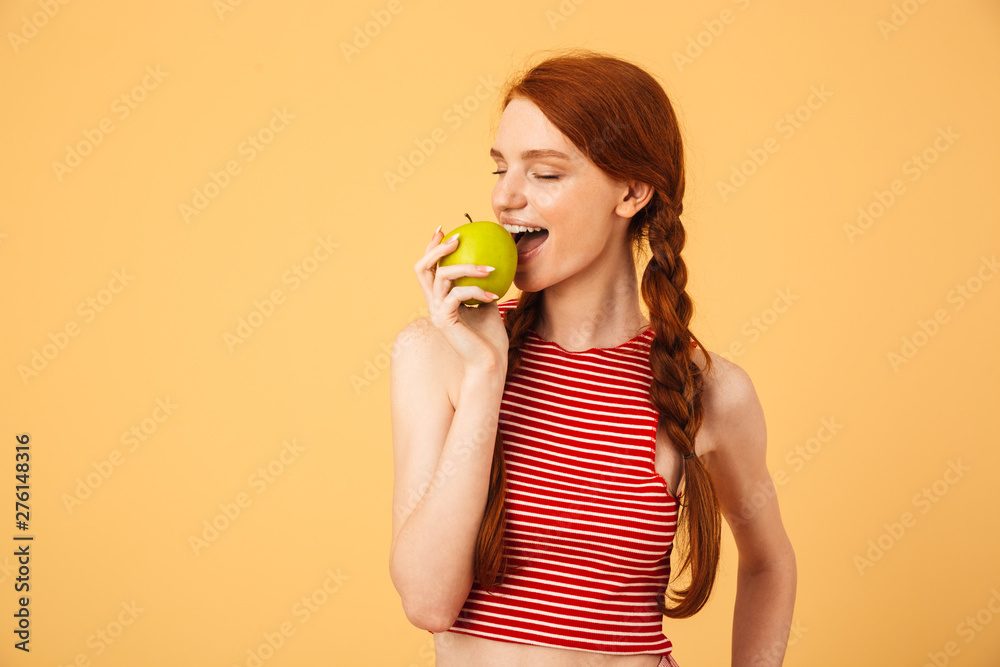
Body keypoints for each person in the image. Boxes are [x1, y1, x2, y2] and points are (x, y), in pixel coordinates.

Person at [389, 49, 796, 667]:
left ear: (631, 192)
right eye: (500, 169)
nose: (505, 199)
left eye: (545, 174)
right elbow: (427, 601)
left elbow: (769, 564)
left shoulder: (708, 389)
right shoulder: (438, 354)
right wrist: (484, 376)